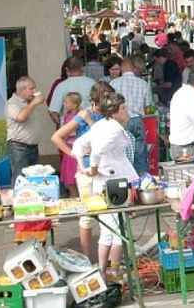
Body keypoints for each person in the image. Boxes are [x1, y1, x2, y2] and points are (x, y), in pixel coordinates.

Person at [71, 92, 138, 278]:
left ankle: (102, 270)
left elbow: (78, 144)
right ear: (115, 112)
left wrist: (82, 164)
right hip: (113, 182)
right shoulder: (113, 128)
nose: (127, 111)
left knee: (108, 229)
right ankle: (113, 270)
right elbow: (96, 150)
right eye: (123, 108)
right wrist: (89, 167)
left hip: (106, 181)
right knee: (118, 229)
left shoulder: (101, 124)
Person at [51, 82, 113, 257]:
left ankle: (108, 257)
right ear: (96, 99)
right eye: (106, 98)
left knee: (109, 214)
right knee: (87, 215)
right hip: (87, 171)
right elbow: (56, 137)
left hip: (107, 169)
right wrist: (74, 153)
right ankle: (86, 256)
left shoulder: (108, 114)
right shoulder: (85, 114)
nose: (109, 102)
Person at [110, 57, 152, 173]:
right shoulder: (143, 83)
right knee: (140, 151)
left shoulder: (114, 83)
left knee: (122, 151)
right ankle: (141, 178)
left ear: (122, 68)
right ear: (133, 68)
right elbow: (147, 106)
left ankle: (125, 176)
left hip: (120, 121)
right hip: (137, 120)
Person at [6, 76, 45, 182]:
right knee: (20, 179)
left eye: (35, 88)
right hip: (19, 148)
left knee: (35, 179)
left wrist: (33, 102)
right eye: (31, 89)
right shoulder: (12, 103)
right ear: (22, 90)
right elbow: (20, 117)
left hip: (33, 147)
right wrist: (34, 103)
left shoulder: (29, 102)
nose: (35, 91)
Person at [48, 57, 96, 127]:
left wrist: (61, 126)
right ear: (82, 68)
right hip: (89, 127)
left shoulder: (61, 86)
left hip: (69, 130)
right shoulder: (92, 83)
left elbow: (52, 112)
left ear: (67, 69)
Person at [58, 92, 82, 197]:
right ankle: (74, 196)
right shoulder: (65, 116)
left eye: (66, 102)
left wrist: (68, 132)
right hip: (68, 148)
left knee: (78, 175)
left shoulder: (81, 115)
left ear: (75, 105)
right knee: (70, 177)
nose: (64, 104)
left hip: (77, 148)